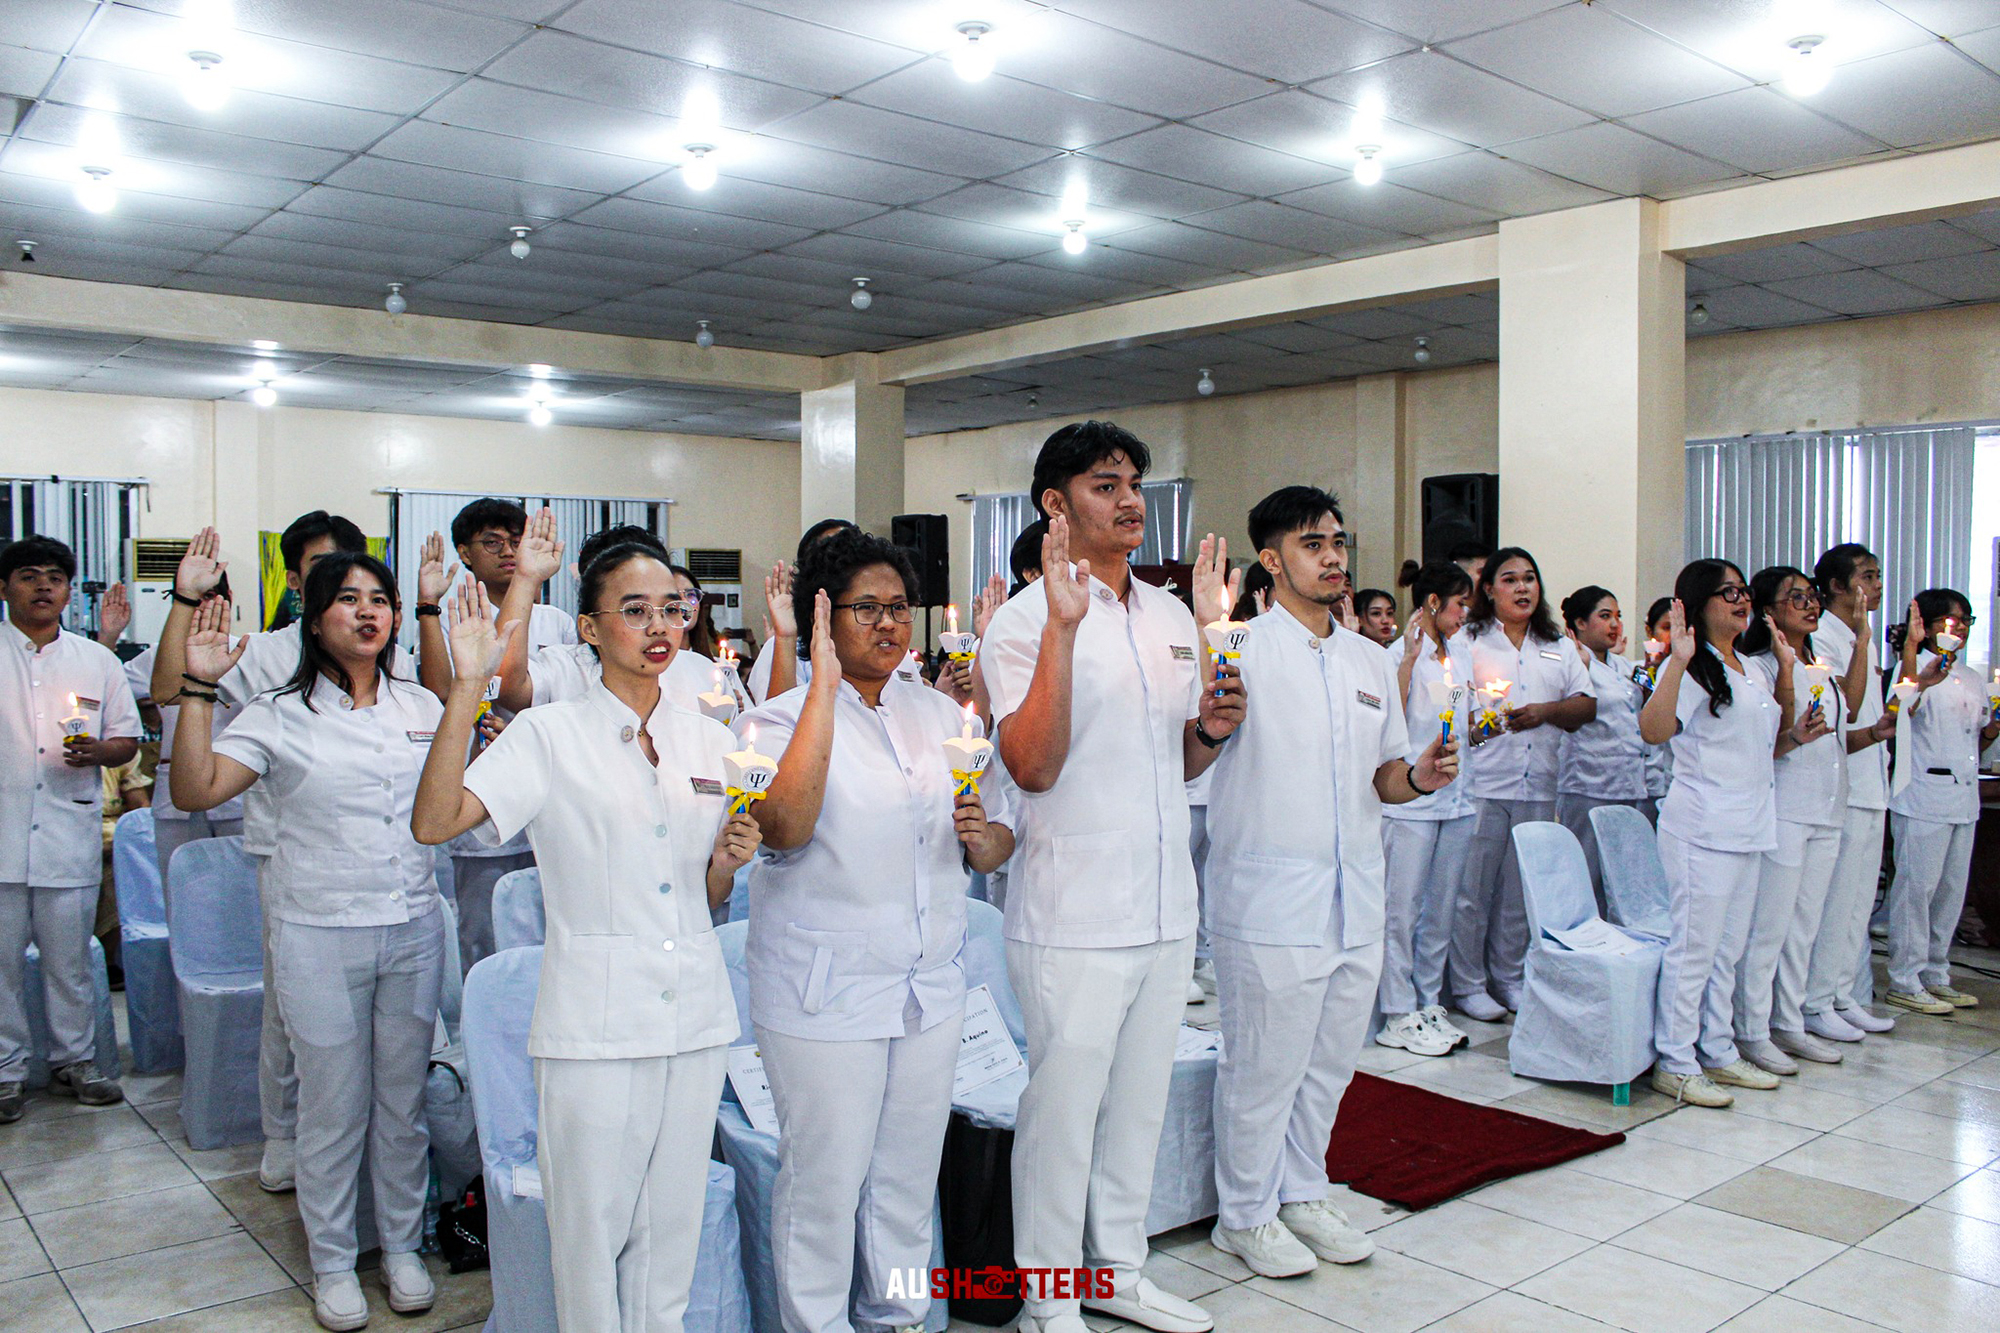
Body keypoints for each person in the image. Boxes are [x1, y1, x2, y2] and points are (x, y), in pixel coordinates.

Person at [413, 548, 758, 1333]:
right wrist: (466, 687)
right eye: (634, 609)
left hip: (695, 1020)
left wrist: (723, 863)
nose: (659, 625)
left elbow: (702, 896)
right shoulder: (549, 735)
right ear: (590, 627)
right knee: (590, 1241)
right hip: (594, 1028)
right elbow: (434, 822)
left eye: (672, 607)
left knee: (669, 1239)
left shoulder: (709, 739)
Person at [981, 421, 1244, 1333]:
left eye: (1135, 481)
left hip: (1168, 902)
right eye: (1105, 484)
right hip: (1072, 910)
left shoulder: (1173, 618)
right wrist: (1061, 629)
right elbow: (1033, 766)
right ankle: (1047, 1298)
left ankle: (1117, 1273)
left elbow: (1177, 762)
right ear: (1056, 504)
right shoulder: (1020, 624)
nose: (1130, 499)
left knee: (1137, 1104)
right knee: (1063, 1112)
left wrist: (1210, 728)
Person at [741, 530, 1015, 1333]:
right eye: (868, 608)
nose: (891, 623)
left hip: (927, 988)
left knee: (904, 1176)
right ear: (823, 617)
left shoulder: (940, 715)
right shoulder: (773, 723)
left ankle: (895, 1316)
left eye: (900, 607)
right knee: (824, 1183)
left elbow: (995, 840)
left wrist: (982, 837)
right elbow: (784, 830)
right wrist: (822, 688)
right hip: (822, 993)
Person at [170, 554, 445, 1329]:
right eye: (348, 599)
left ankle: (401, 1245)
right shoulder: (278, 711)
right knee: (332, 1102)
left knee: (402, 1099)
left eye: (381, 600)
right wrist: (197, 688)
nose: (368, 612)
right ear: (315, 616)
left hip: (412, 925)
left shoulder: (422, 704)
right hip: (318, 928)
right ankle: (331, 1260)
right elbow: (195, 789)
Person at [1204, 489, 1456, 1278]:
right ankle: (1244, 1212)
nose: (1334, 556)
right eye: (1313, 543)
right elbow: (1199, 743)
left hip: (1355, 894)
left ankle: (1302, 1187)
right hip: (1270, 894)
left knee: (1330, 1060)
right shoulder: (1239, 647)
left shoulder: (1367, 658)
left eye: (1339, 541)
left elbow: (1383, 774)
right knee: (1263, 1063)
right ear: (1272, 560)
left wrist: (1418, 777)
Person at [151, 513, 397, 1193]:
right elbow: (171, 685)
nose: (345, 587)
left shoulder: (385, 645)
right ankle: (284, 1132)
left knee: (377, 1021)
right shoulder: (262, 649)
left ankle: (370, 1138)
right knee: (290, 1010)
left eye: (355, 570)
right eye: (324, 571)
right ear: (294, 581)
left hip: (379, 859)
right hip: (289, 851)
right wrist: (183, 600)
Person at [1639, 560, 1792, 1108]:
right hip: (1702, 826)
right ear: (1698, 603)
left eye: (1744, 591)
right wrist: (1677, 663)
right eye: (1728, 592)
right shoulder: (1693, 667)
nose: (1741, 600)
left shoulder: (1749, 666)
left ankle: (1719, 1049)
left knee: (1728, 950)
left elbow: (1766, 744)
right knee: (1694, 949)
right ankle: (1676, 1062)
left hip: (1751, 823)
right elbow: (1654, 731)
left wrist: (1790, 672)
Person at [1, 536, 141, 1122]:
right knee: (1, 964)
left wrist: (99, 751)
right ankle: (6, 1071)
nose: (43, 587)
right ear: (5, 586)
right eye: (29, 576)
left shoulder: (95, 660)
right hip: (2, 835)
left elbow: (127, 740)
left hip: (67, 829)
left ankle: (75, 1060)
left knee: (70, 960)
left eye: (55, 578)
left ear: (66, 590)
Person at [417, 501, 578, 971]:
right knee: (485, 939)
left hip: (545, 790)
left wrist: (527, 726)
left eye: (514, 541)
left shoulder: (556, 621)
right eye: (493, 542)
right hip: (476, 786)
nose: (507, 551)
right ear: (465, 553)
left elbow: (565, 699)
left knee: (548, 936)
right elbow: (441, 694)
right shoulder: (459, 615)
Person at [1736, 567, 1878, 1072]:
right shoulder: (1761, 666)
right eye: (1796, 598)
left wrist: (1862, 642)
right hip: (1785, 810)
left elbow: (1852, 708)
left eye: (1812, 596)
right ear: (1768, 611)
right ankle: (1752, 1028)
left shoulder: (1818, 662)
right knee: (1770, 926)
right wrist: (1785, 666)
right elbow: (1770, 740)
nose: (1810, 605)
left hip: (1825, 806)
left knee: (1805, 925)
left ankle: (1789, 1021)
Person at [1448, 547, 1595, 1021]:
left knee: (1517, 891)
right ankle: (1467, 983)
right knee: (1474, 891)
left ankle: (1508, 977)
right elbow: (1451, 715)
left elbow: (1585, 706)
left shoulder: (1557, 643)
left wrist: (1544, 713)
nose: (1523, 588)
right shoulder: (1468, 641)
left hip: (1540, 784)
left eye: (1530, 578)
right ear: (1488, 589)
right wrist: (1487, 723)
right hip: (1484, 784)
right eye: (1510, 580)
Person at [1377, 560, 1478, 1058]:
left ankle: (1427, 999)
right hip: (1411, 804)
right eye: (1460, 604)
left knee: (1440, 910)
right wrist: (1405, 664)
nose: (1466, 614)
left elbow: (1464, 720)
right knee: (1402, 910)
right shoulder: (1401, 654)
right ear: (1433, 603)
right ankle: (1397, 1011)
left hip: (1457, 799)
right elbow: (1388, 721)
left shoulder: (1460, 655)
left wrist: (1486, 725)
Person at [1883, 589, 1998, 1014]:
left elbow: (1979, 734)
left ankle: (1936, 971)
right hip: (1923, 794)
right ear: (1926, 626)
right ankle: (1905, 977)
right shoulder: (1911, 670)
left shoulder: (1968, 676)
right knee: (1917, 889)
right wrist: (1914, 661)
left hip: (1964, 795)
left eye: (1966, 620)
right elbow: (1900, 712)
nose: (1961, 628)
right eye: (1951, 621)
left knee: (1951, 889)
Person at [1801, 545, 1897, 1039]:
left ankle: (1839, 995)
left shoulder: (1863, 638)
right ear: (1836, 586)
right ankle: (1816, 1001)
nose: (1877, 585)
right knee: (1836, 902)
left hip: (1870, 780)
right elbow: (1842, 706)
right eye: (1867, 576)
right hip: (1842, 783)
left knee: (1859, 902)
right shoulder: (1825, 639)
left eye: (1879, 575)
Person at [1554, 586, 1650, 900]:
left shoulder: (1625, 667)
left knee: (1623, 879)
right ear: (1580, 623)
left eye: (1618, 617)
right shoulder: (1569, 662)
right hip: (1587, 784)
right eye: (1605, 616)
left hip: (1628, 784)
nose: (1615, 625)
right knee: (1586, 876)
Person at [749, 519, 858, 703]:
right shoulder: (783, 646)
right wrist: (785, 639)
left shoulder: (881, 637)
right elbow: (778, 722)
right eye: (833, 558)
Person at [1641, 597, 1675, 819]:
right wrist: (1651, 671)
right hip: (1647, 780)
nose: (1672, 636)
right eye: (1666, 628)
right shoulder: (1639, 671)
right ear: (1649, 630)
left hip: (1676, 780)